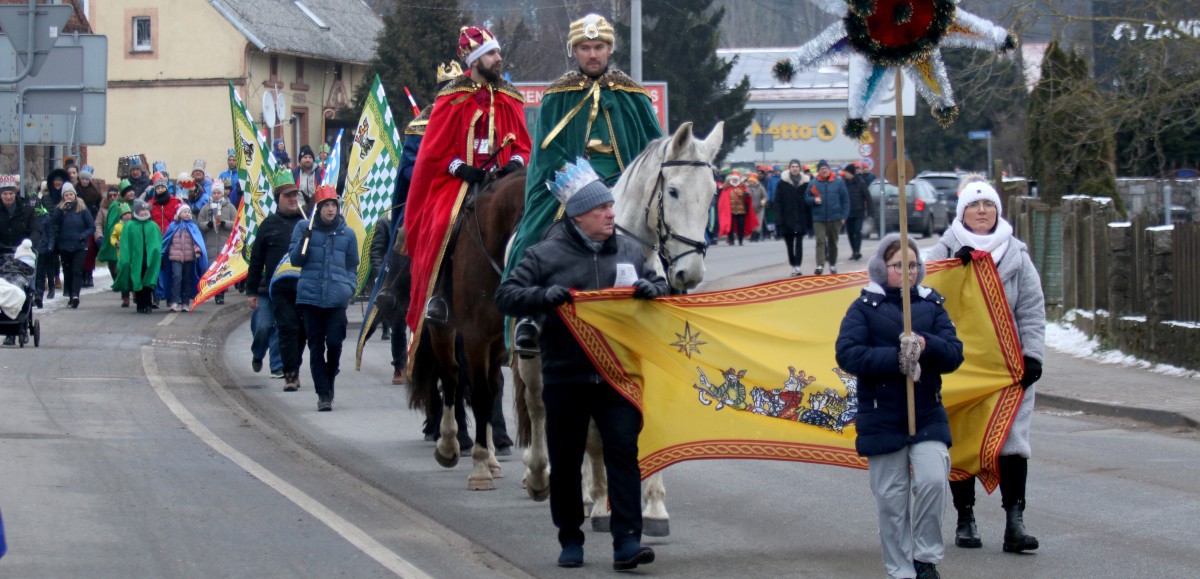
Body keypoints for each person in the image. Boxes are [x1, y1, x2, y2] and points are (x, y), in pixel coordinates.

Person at [496, 158, 664, 571]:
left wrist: (652, 287)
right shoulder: (544, 254)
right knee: (566, 460)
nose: (611, 213)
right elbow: (506, 295)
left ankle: (627, 541)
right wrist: (543, 296)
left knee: (623, 454)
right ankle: (570, 537)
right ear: (578, 216)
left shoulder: (629, 249)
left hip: (617, 377)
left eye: (610, 207)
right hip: (565, 376)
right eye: (601, 210)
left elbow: (662, 286)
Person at [505, 13, 664, 353]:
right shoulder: (556, 95)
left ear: (610, 49)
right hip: (570, 186)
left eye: (600, 47)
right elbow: (547, 154)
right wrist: (582, 185)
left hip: (625, 184)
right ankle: (528, 318)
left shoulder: (633, 95)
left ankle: (671, 303)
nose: (593, 54)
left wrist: (632, 182)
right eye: (585, 48)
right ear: (573, 51)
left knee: (671, 239)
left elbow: (654, 150)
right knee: (532, 234)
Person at [835, 232, 964, 579]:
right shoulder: (863, 307)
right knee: (892, 501)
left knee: (933, 480)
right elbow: (847, 354)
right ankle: (900, 569)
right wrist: (896, 358)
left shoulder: (932, 305)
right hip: (882, 416)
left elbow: (954, 354)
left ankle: (925, 557)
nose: (906, 272)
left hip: (927, 413)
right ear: (881, 268)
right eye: (897, 266)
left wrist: (925, 344)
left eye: (912, 265)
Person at [927, 177, 1044, 554]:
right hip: (958, 367)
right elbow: (921, 300)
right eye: (975, 206)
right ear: (962, 212)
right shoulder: (942, 253)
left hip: (1008, 370)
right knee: (961, 442)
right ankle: (966, 518)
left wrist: (1033, 356)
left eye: (988, 205)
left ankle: (1015, 522)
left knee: (1012, 443)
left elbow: (1031, 310)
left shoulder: (1016, 256)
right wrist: (950, 273)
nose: (982, 211)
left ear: (997, 211)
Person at [404, 24, 531, 335]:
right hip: (459, 182)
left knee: (531, 220)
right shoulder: (452, 97)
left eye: (498, 52)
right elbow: (433, 150)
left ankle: (529, 299)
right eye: (491, 54)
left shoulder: (509, 96)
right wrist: (459, 167)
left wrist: (516, 160)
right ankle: (440, 294)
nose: (499, 58)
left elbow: (523, 143)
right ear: (475, 62)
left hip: (503, 179)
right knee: (444, 223)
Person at [290, 185, 358, 411]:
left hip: (337, 298)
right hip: (310, 298)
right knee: (316, 346)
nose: (330, 210)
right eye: (326, 205)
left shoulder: (347, 233)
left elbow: (351, 265)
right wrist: (305, 241)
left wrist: (349, 287)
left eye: (333, 205)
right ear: (318, 208)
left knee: (336, 343)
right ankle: (323, 394)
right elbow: (295, 260)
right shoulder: (303, 227)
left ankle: (330, 379)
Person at [246, 172, 306, 385]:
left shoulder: (305, 224)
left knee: (289, 328)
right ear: (278, 198)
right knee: (262, 327)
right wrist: (251, 291)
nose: (292, 199)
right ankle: (258, 351)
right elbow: (256, 260)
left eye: (294, 195)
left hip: (296, 289)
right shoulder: (268, 225)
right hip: (267, 289)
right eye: (287, 195)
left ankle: (281, 367)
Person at [48, 182, 95, 309]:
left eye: (71, 194)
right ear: (63, 197)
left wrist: (83, 235)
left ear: (75, 195)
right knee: (68, 272)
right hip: (65, 246)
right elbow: (54, 223)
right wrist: (60, 209)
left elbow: (92, 226)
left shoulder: (82, 209)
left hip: (80, 246)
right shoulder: (60, 209)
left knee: (77, 271)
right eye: (66, 195)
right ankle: (70, 296)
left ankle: (75, 295)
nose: (69, 197)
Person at [115, 200, 163, 314]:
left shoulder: (153, 225)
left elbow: (157, 243)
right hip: (136, 259)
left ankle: (148, 303)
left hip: (149, 258)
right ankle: (140, 303)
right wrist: (125, 259)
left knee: (148, 280)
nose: (145, 212)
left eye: (146, 210)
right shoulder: (129, 226)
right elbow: (125, 243)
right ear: (136, 212)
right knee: (138, 280)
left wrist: (156, 256)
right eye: (142, 210)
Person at [159, 205, 207, 312]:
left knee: (187, 280)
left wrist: (198, 251)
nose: (187, 214)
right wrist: (163, 253)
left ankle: (185, 302)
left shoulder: (193, 227)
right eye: (184, 212)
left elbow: (196, 241)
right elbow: (167, 241)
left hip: (189, 259)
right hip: (175, 258)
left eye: (188, 212)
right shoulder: (173, 226)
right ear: (179, 214)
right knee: (176, 277)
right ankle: (174, 301)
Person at [806, 159, 849, 275]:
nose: (824, 171)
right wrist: (814, 200)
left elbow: (845, 200)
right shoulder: (813, 183)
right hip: (818, 218)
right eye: (821, 169)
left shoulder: (838, 183)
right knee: (820, 241)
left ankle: (833, 264)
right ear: (818, 171)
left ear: (829, 169)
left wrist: (844, 216)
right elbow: (806, 198)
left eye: (825, 168)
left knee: (833, 243)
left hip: (835, 218)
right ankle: (820, 265)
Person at [198, 181, 236, 304]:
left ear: (222, 193)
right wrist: (208, 225)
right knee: (212, 269)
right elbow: (199, 223)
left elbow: (236, 223)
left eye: (218, 192)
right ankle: (214, 291)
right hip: (210, 242)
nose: (216, 195)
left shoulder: (229, 207)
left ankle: (221, 294)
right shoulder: (206, 207)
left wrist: (225, 223)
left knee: (222, 270)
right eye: (214, 192)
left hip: (225, 243)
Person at [775, 160, 810, 276]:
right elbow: (778, 202)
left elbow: (809, 200)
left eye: (797, 167)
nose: (795, 169)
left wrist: (810, 218)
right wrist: (779, 218)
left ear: (799, 168)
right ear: (789, 168)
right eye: (793, 166)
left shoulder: (805, 183)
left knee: (799, 243)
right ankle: (793, 264)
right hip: (787, 218)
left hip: (801, 217)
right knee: (789, 245)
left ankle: (798, 266)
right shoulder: (782, 183)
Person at [0, 174, 39, 256]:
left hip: (23, 252)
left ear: (15, 193)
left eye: (11, 193)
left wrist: (29, 244)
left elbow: (36, 230)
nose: (8, 197)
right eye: (5, 194)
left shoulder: (27, 210)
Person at [717, 170, 757, 246]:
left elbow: (748, 197)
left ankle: (740, 240)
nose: (735, 181)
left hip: (741, 211)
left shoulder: (743, 188)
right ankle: (731, 240)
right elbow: (723, 200)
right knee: (730, 226)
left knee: (741, 226)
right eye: (733, 179)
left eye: (736, 179)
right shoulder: (726, 189)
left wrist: (747, 195)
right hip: (730, 211)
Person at [843, 162, 871, 261]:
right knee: (850, 232)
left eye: (846, 172)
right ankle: (854, 251)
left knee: (857, 230)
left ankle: (857, 251)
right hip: (848, 212)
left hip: (859, 212)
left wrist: (870, 211)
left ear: (850, 173)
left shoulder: (860, 182)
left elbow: (867, 196)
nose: (844, 174)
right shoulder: (844, 183)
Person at [107, 202, 133, 307]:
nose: (127, 216)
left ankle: (136, 293)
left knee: (133, 275)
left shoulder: (134, 224)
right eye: (125, 214)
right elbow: (113, 237)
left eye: (128, 213)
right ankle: (125, 297)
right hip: (122, 255)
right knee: (124, 276)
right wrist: (115, 242)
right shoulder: (118, 227)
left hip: (133, 255)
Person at [292, 145, 323, 209]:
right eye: (305, 157)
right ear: (300, 160)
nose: (308, 160)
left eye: (310, 157)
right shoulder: (293, 173)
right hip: (299, 211)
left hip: (317, 209)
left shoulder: (321, 172)